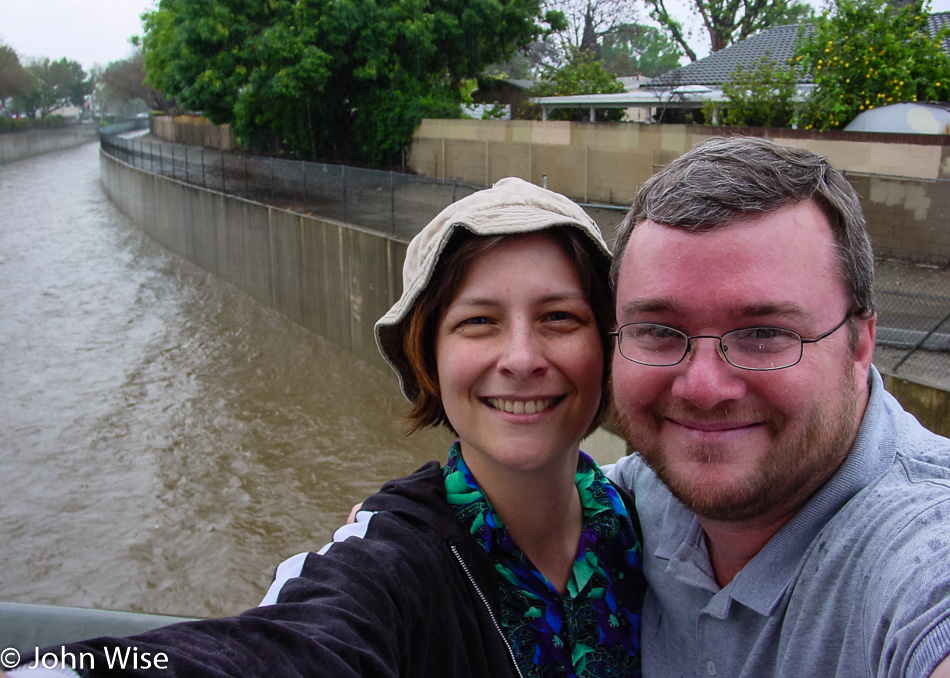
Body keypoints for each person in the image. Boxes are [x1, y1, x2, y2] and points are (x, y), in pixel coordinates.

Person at [5, 177, 644, 678]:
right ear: (430, 356)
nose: (523, 358)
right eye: (479, 321)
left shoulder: (649, 520)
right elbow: (283, 649)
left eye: (560, 317)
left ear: (608, 346)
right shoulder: (390, 565)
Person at [604, 136, 950, 678]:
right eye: (657, 331)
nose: (702, 388)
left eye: (765, 333)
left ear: (859, 344)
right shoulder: (634, 500)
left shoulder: (919, 543)